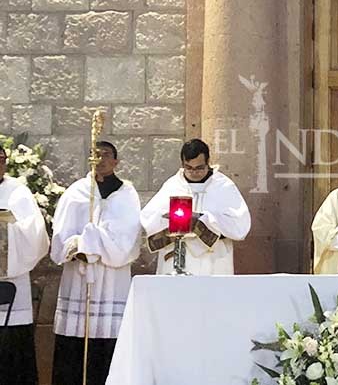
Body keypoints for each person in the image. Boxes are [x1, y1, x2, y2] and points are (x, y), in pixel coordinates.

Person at [51, 141, 141, 385]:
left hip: (112, 278)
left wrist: (94, 242)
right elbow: (60, 235)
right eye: (95, 154)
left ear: (116, 161)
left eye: (106, 155)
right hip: (80, 279)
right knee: (75, 346)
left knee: (109, 345)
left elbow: (128, 238)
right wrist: (79, 247)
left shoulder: (127, 194)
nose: (100, 159)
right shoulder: (76, 192)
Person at [141, 139, 251, 275]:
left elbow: (239, 225)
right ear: (182, 163)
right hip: (177, 256)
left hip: (213, 259)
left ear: (208, 161)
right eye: (189, 168)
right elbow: (149, 217)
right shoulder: (173, 185)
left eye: (199, 168)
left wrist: (203, 220)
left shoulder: (223, 186)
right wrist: (172, 219)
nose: (194, 172)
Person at [0, 146, 49, 385]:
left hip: (13, 279)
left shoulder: (18, 192)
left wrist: (9, 226)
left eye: (0, 159)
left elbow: (36, 232)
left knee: (13, 355)